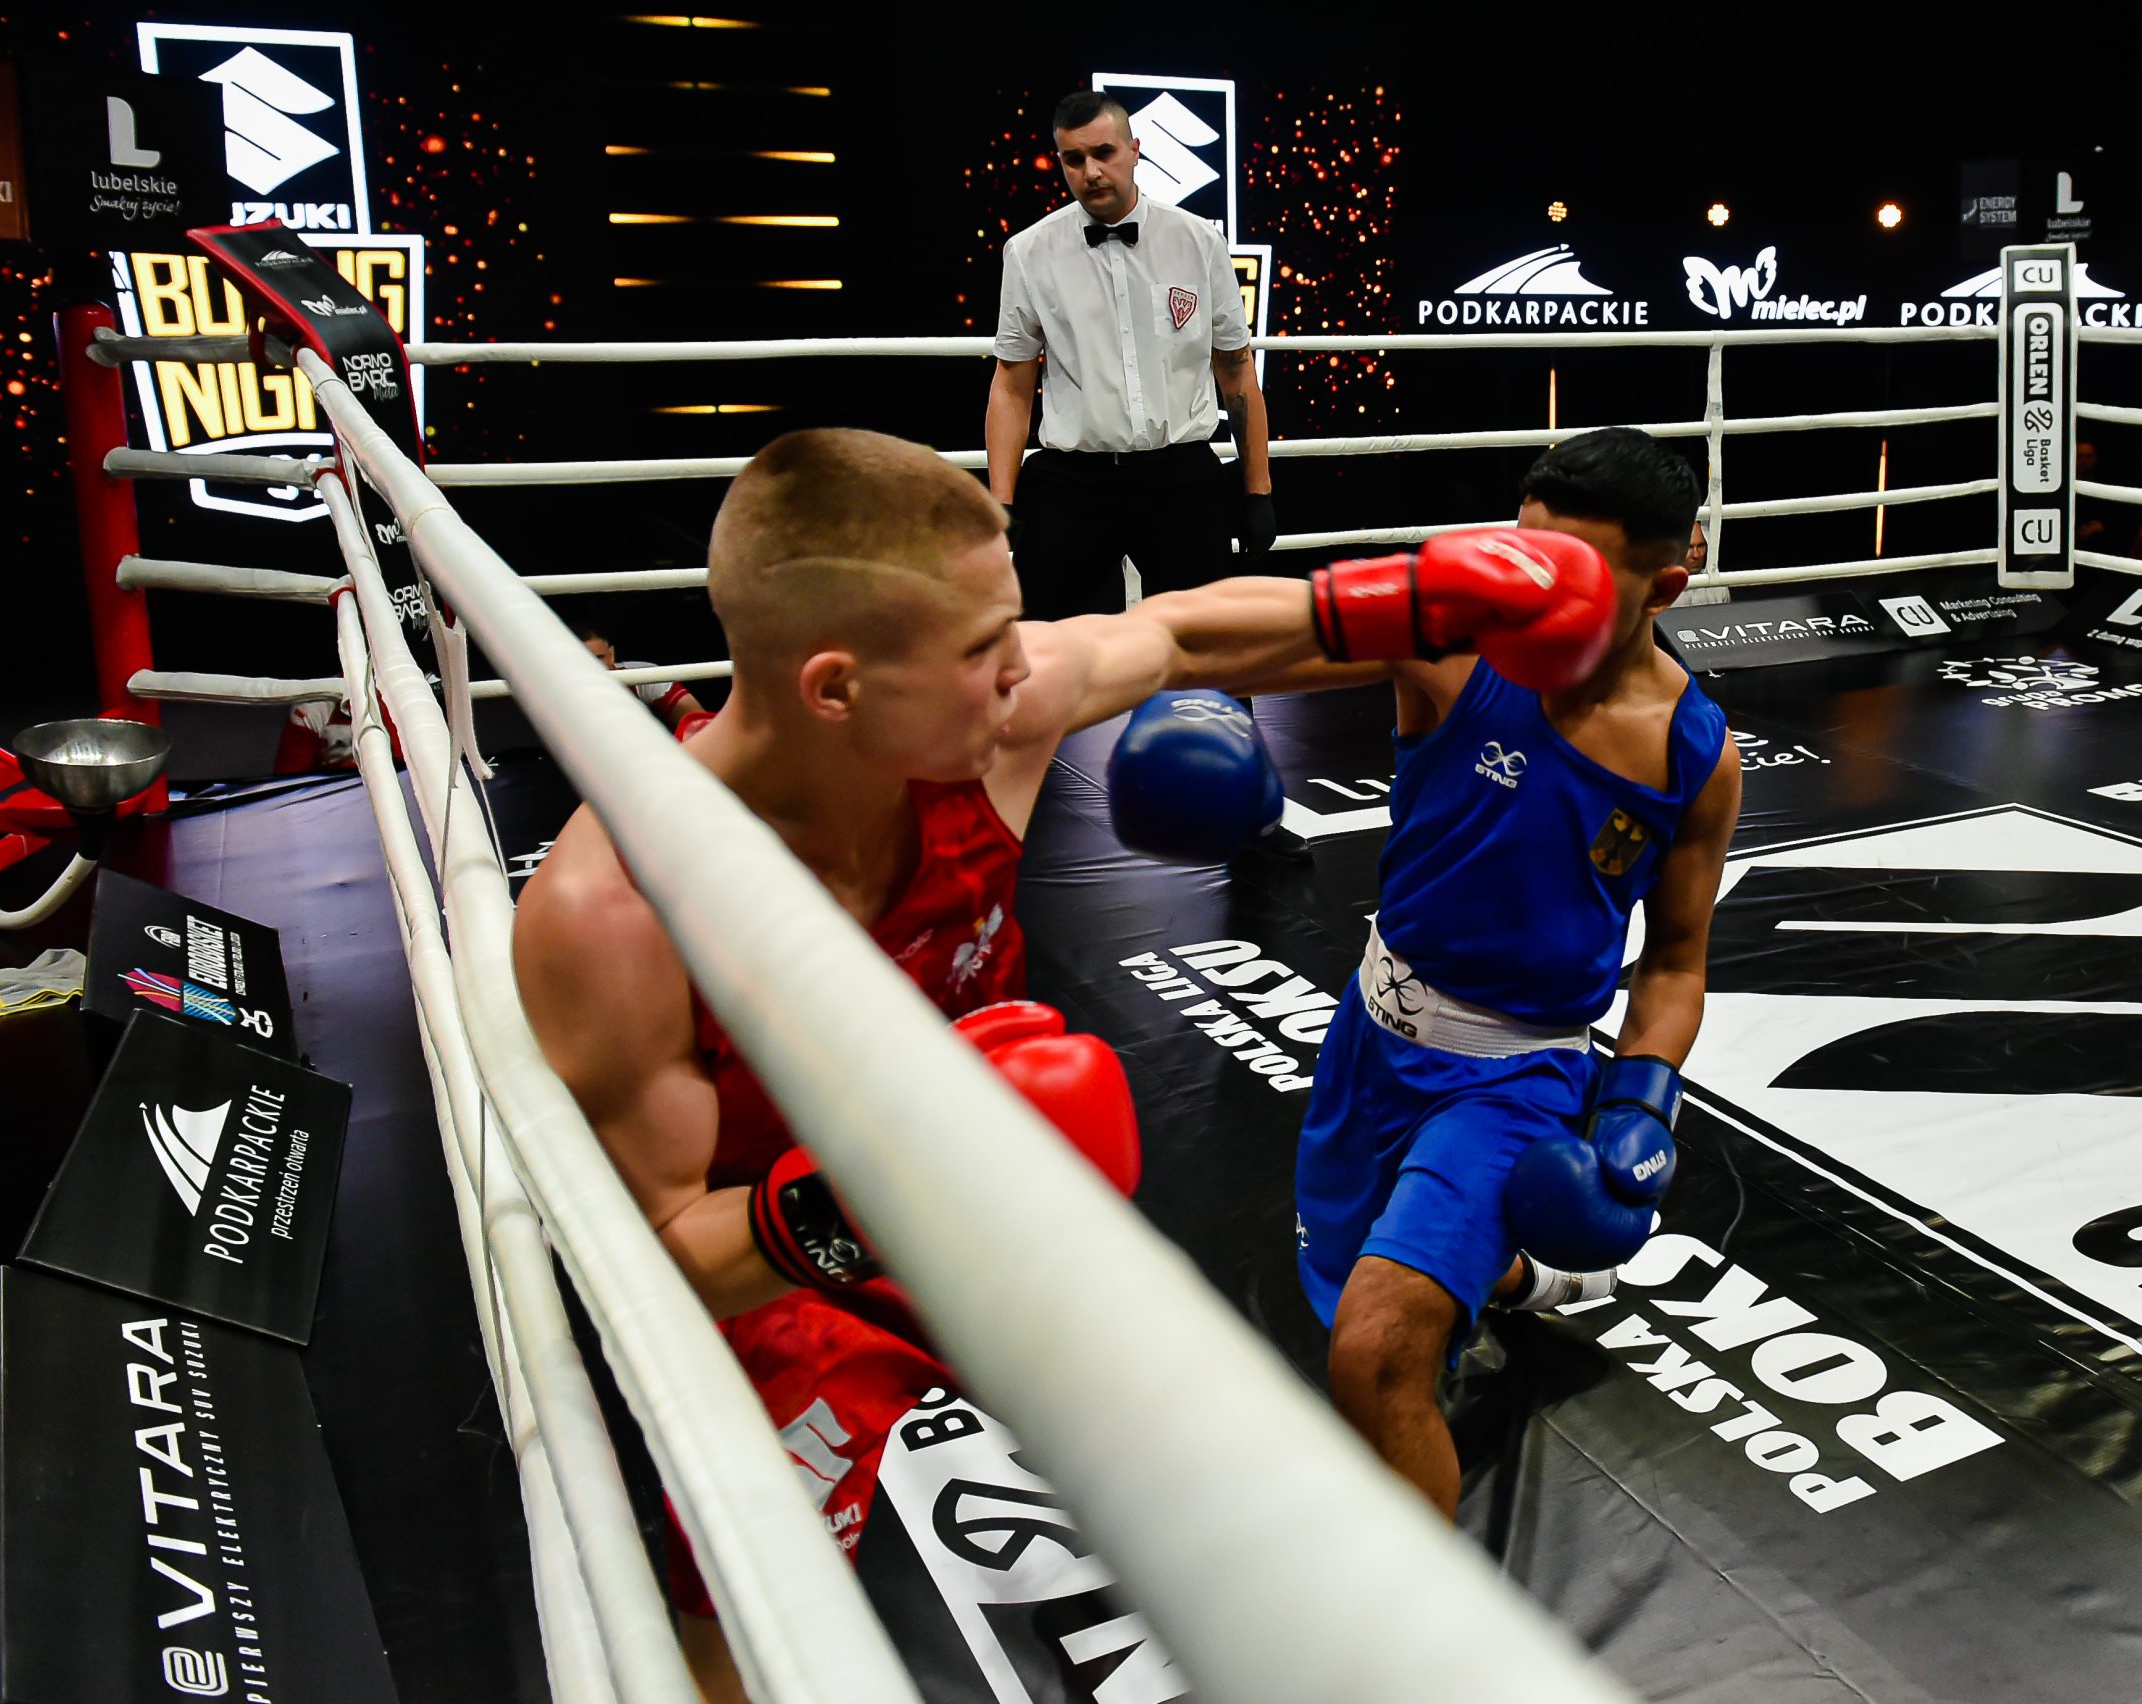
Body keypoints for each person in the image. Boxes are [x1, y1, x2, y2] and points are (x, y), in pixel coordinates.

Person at [509, 427, 1607, 1694]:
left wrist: (1417, 603)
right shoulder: (614, 915)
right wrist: (872, 1182)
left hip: (986, 1175)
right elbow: (652, 1261)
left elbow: (1179, 634)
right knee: (752, 1583)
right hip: (780, 1264)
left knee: (1183, 1444)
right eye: (984, 649)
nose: (1022, 669)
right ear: (836, 688)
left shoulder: (993, 722)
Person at [1289, 428, 1741, 1519]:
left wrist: (1640, 1100)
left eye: (1572, 573)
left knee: (1377, 1354)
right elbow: (1254, 638)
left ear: (1663, 588)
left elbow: (1676, 960)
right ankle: (1532, 1272)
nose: (1532, 590)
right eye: (1525, 555)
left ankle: (1422, 1620)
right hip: (1373, 1034)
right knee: (1350, 1281)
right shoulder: (1454, 646)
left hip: (1515, 1080)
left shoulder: (1692, 751)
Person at [985, 90, 1276, 619]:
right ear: (1060, 162)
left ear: (1135, 150)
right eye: (1075, 159)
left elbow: (1236, 370)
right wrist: (1000, 501)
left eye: (1104, 153)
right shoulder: (1028, 252)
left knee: (1202, 642)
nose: (1092, 172)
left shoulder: (1198, 241)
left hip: (1180, 475)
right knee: (1053, 649)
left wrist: (1258, 492)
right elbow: (1012, 382)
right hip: (1072, 481)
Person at [573, 621, 708, 735]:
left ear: (611, 654)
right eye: (581, 659)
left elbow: (699, 724)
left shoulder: (642, 674)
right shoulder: (563, 691)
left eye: (598, 658)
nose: (591, 666)